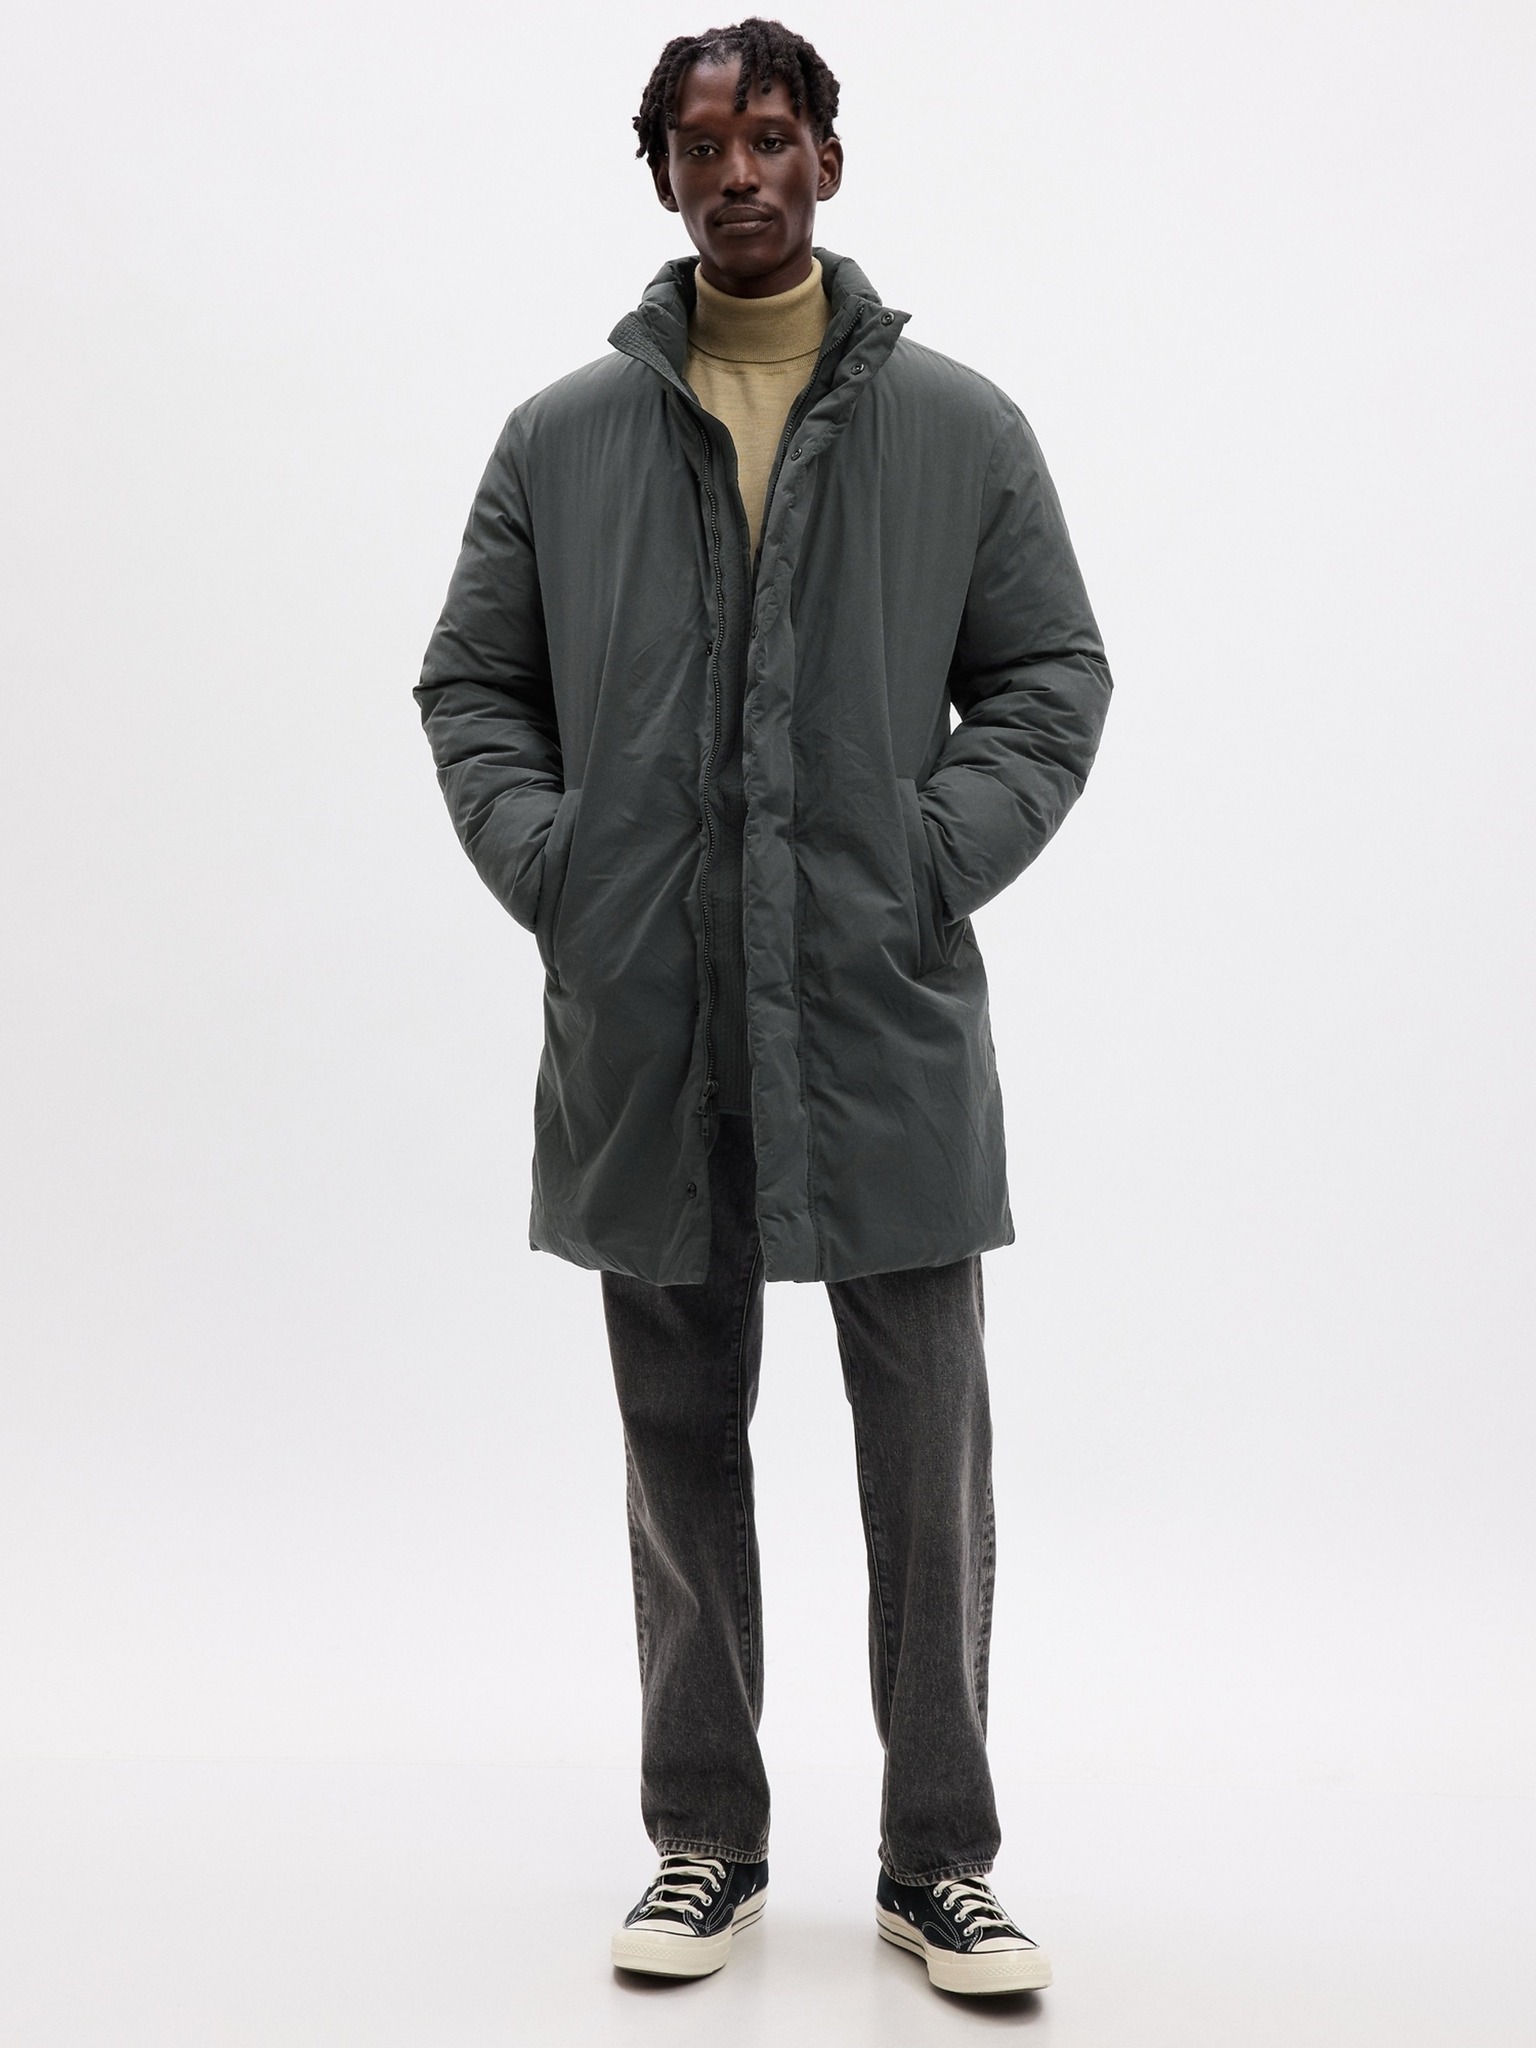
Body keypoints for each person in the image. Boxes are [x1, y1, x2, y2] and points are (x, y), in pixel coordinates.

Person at [416, 15, 1111, 2001]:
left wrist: (920, 860)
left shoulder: (957, 428)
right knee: (676, 1440)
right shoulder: (560, 438)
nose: (740, 172)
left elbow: (1051, 678)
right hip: (652, 1023)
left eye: (774, 134)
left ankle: (940, 1861)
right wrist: (564, 871)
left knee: (929, 1457)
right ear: (662, 173)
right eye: (704, 143)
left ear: (827, 159)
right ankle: (704, 1844)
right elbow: (472, 686)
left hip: (877, 1016)